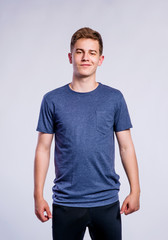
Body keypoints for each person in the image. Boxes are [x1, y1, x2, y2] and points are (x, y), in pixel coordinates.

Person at [34, 27, 140, 240]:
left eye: (92, 53)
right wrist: (38, 195)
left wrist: (135, 190)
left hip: (107, 200)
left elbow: (126, 146)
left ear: (100, 59)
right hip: (66, 202)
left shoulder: (114, 98)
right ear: (70, 56)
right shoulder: (52, 99)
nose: (85, 57)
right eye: (80, 51)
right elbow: (43, 149)